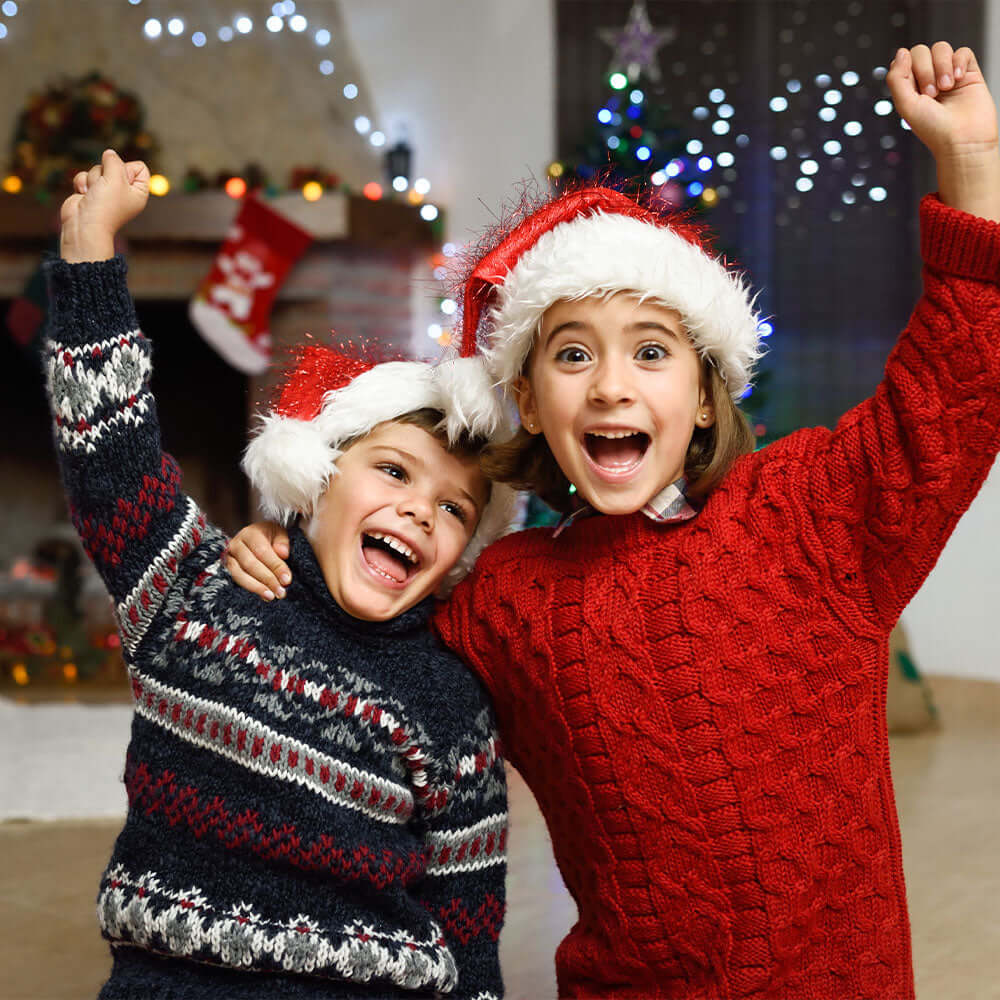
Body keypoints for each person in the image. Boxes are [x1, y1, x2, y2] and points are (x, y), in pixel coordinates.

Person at [224, 42, 1000, 999]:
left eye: (650, 352)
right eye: (575, 356)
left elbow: (952, 390)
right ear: (529, 398)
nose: (612, 386)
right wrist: (280, 557)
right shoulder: (509, 600)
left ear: (707, 396)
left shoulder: (810, 518)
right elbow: (369, 645)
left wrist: (969, 163)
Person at [44, 149, 515, 999]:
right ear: (318, 480)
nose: (419, 511)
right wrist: (89, 263)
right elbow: (110, 457)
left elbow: (468, 910)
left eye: (455, 510)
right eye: (396, 473)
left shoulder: (448, 697)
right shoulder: (197, 595)